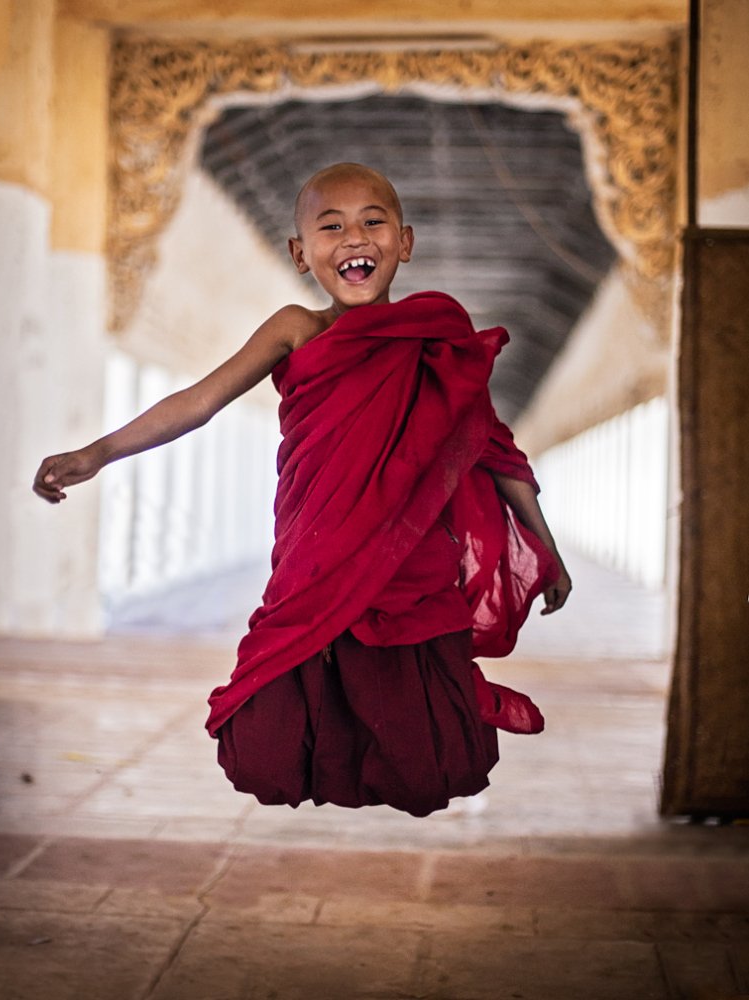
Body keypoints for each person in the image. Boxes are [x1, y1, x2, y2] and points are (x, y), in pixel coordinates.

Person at [34, 162, 572, 817]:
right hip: (316, 551)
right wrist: (99, 451)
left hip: (409, 563)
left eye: (372, 221)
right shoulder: (295, 329)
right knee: (271, 728)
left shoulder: (436, 339)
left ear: (405, 242)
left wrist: (546, 553)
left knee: (426, 745)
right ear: (299, 253)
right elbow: (199, 400)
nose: (353, 237)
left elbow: (494, 450)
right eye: (330, 226)